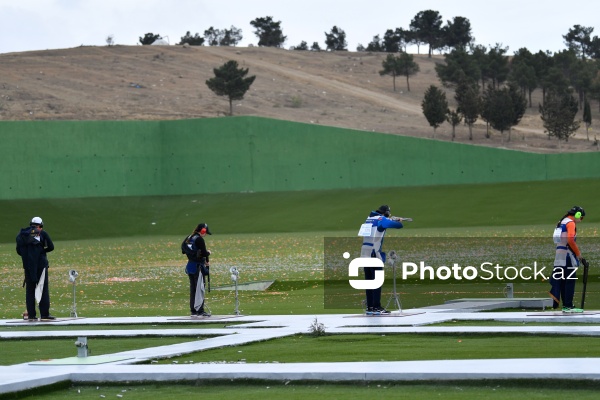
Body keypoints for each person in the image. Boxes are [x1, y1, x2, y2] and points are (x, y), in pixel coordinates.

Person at [360, 205, 404, 315]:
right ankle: (377, 307)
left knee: (369, 282)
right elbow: (399, 226)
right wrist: (398, 220)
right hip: (374, 253)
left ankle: (370, 307)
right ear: (387, 213)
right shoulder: (382, 219)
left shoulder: (369, 219)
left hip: (365, 252)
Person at [15, 217, 55, 321]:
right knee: (42, 289)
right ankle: (45, 314)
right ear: (39, 226)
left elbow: (19, 251)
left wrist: (28, 257)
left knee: (30, 291)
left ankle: (31, 315)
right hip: (41, 266)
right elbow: (51, 247)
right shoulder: (42, 234)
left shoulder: (22, 235)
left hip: (28, 267)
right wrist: (41, 251)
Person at [549, 206, 586, 313]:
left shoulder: (561, 222)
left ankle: (567, 305)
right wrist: (578, 254)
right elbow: (570, 239)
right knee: (570, 280)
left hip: (559, 255)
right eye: (581, 218)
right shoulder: (570, 223)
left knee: (563, 280)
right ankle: (568, 306)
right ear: (577, 215)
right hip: (567, 255)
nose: (581, 220)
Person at [183, 222, 212, 317]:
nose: (206, 234)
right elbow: (204, 253)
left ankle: (193, 310)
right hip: (198, 267)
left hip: (190, 266)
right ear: (203, 231)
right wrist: (208, 253)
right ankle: (200, 310)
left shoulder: (189, 237)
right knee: (200, 289)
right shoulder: (199, 239)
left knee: (193, 289)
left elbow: (183, 249)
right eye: (205, 232)